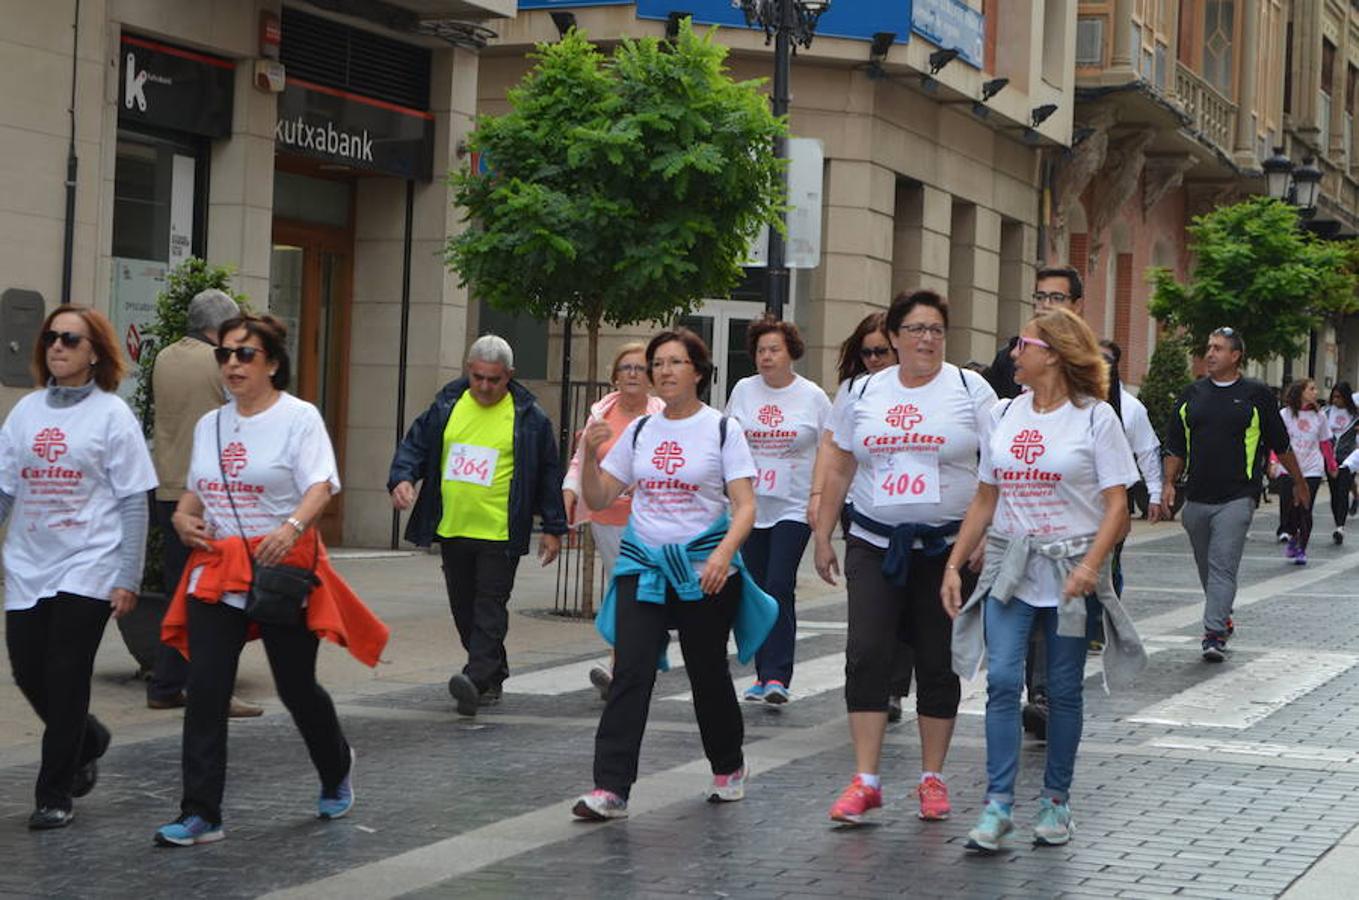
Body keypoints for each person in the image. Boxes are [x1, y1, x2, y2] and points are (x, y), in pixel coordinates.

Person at [154, 315, 388, 847]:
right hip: (218, 567)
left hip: (281, 567)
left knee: (295, 686)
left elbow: (320, 485)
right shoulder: (210, 424)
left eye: (245, 354)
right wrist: (183, 516)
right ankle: (200, 813)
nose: (232, 364)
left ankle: (335, 765)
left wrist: (292, 527)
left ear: (273, 364)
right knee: (206, 688)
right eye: (224, 354)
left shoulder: (299, 418)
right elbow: (198, 489)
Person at [944, 308, 1145, 851]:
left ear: (1053, 353)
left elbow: (1117, 507)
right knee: (1002, 680)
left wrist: (1089, 567)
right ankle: (997, 806)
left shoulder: (1095, 418)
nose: (1014, 353)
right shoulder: (1003, 413)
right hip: (1011, 567)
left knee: (1061, 689)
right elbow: (985, 497)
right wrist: (954, 564)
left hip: (1069, 570)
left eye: (1024, 345)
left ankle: (1056, 801)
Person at [570, 328, 775, 820]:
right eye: (657, 363)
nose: (663, 371)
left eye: (674, 362)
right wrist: (591, 458)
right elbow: (599, 498)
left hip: (704, 570)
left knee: (707, 673)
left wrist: (724, 555)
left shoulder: (721, 429)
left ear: (698, 372)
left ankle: (728, 765)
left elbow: (746, 505)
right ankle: (611, 788)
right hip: (644, 568)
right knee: (630, 672)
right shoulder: (641, 430)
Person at [814, 290, 997, 824]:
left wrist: (985, 534)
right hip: (875, 543)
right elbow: (840, 464)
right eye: (916, 329)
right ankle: (866, 779)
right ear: (893, 337)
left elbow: (998, 467)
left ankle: (931, 777)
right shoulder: (862, 390)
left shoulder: (970, 389)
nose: (927, 339)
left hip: (946, 549)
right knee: (866, 652)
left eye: (936, 329)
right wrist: (823, 533)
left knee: (938, 661)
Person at [0, 305, 157, 830]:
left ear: (94, 353)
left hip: (90, 563)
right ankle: (88, 739)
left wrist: (128, 575)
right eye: (51, 337)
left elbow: (134, 500)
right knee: (28, 671)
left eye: (70, 339)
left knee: (66, 674)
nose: (57, 346)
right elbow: (5, 489)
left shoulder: (112, 416)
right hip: (29, 563)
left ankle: (55, 792)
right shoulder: (25, 412)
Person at [389, 335, 567, 716]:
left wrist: (553, 527)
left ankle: (475, 679)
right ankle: (493, 671)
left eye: (494, 379)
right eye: (478, 377)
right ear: (468, 370)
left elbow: (548, 474)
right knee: (464, 609)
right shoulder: (446, 405)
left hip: (500, 530)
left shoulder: (530, 418)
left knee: (490, 606)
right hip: (454, 526)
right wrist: (402, 478)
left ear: (510, 376)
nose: (485, 386)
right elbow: (415, 445)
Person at [990, 267, 1123, 740]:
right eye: (1040, 296)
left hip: (1073, 538)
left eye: (1056, 297)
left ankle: (1045, 695)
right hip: (1014, 539)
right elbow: (991, 466)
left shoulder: (1097, 397)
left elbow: (1112, 482)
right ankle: (1035, 694)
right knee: (1002, 670)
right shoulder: (1007, 379)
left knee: (1063, 673)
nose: (1046, 304)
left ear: (1077, 305)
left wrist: (1096, 558)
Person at [146, 288, 261, 718]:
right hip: (207, 495)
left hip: (167, 487)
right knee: (214, 597)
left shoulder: (164, 358)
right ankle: (211, 688)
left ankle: (166, 683)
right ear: (219, 328)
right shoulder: (219, 364)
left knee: (179, 590)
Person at [1163, 327, 1306, 662]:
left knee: (1222, 565)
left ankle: (1213, 634)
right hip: (1196, 497)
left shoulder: (1256, 395)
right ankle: (1222, 614)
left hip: (1238, 497)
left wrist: (1299, 481)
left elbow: (1281, 443)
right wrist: (1168, 483)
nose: (1209, 353)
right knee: (1208, 567)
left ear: (1235, 355)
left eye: (1218, 348)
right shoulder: (1191, 394)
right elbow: (1175, 445)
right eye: (1208, 347)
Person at [809, 313, 914, 721]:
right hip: (861, 509)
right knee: (870, 603)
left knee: (904, 604)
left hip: (909, 514)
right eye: (866, 353)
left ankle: (894, 688)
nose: (873, 360)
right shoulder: (853, 391)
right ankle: (868, 687)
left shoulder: (924, 390)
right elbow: (831, 448)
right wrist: (819, 498)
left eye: (880, 352)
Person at [726, 316, 830, 705]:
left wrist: (818, 496)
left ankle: (777, 675)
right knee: (754, 588)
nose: (766, 357)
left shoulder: (812, 396)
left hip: (793, 505)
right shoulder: (743, 390)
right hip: (751, 505)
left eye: (774, 350)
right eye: (760, 351)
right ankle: (760, 673)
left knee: (779, 584)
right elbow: (728, 440)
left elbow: (829, 448)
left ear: (791, 354)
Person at [561, 343, 663, 698]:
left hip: (648, 521)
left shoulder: (660, 416)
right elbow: (581, 458)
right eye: (626, 368)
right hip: (606, 517)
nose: (632, 374)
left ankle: (620, 665)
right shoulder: (601, 414)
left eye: (640, 368)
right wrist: (571, 490)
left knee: (631, 588)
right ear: (615, 377)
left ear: (650, 377)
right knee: (622, 588)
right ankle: (628, 661)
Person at [1274, 378, 1331, 565]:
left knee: (1306, 508)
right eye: (1311, 389)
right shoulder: (1284, 415)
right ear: (1300, 392)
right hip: (1289, 467)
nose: (1316, 392)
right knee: (1290, 508)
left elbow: (1324, 442)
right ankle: (1292, 533)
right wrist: (1274, 461)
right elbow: (1277, 441)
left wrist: (1331, 464)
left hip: (1312, 468)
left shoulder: (1320, 416)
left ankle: (1302, 548)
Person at [1325, 382, 1357, 544]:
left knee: (1343, 490)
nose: (1336, 400)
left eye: (1339, 397)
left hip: (1348, 458)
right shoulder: (1326, 412)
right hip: (1330, 458)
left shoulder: (1354, 414)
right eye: (1334, 396)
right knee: (1334, 492)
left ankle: (1340, 527)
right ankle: (1337, 521)